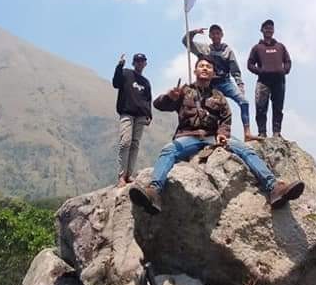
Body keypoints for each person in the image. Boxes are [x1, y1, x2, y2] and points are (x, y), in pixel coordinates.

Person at [128, 56, 304, 215]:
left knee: (245, 149)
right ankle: (154, 192)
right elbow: (159, 105)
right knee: (169, 150)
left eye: (208, 67)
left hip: (213, 136)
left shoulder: (219, 96)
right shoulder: (183, 91)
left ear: (213, 73)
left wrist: (222, 134)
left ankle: (274, 188)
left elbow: (226, 118)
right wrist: (169, 96)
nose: (205, 68)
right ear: (195, 71)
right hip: (188, 136)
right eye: (201, 66)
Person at [183, 24, 255, 141]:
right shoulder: (205, 49)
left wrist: (240, 84)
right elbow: (185, 42)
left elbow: (235, 70)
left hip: (225, 82)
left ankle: (247, 132)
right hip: (210, 83)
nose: (216, 35)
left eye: (218, 33)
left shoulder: (228, 51)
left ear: (221, 35)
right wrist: (194, 32)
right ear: (210, 35)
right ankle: (203, 131)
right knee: (204, 106)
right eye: (213, 33)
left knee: (244, 102)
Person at [112, 52, 153, 187]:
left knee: (135, 144)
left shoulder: (146, 82)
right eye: (137, 61)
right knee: (125, 142)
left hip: (140, 116)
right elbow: (116, 83)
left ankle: (129, 175)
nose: (140, 63)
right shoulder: (126, 73)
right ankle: (121, 176)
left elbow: (148, 100)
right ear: (133, 63)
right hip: (127, 113)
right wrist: (119, 66)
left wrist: (149, 114)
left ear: (145, 64)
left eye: (142, 61)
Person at [247, 19, 291, 138]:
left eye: (271, 28)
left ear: (273, 30)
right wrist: (260, 71)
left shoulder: (280, 46)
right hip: (263, 81)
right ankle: (262, 132)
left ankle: (277, 133)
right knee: (261, 107)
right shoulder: (257, 48)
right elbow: (250, 64)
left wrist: (284, 70)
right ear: (262, 30)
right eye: (266, 28)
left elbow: (288, 61)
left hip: (279, 81)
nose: (269, 30)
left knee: (278, 107)